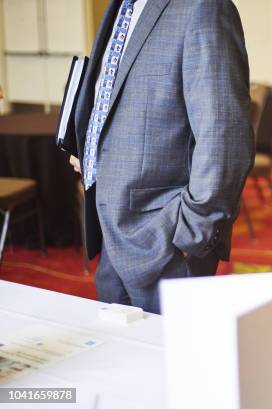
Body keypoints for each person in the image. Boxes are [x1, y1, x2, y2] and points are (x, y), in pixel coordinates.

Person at [69, 0, 254, 314]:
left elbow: (224, 133)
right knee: (124, 359)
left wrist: (191, 234)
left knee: (174, 360)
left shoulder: (203, 7)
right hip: (110, 230)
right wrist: (90, 153)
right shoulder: (120, 7)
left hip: (165, 238)